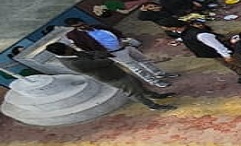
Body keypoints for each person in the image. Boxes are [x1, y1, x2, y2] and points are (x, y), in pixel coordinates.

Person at [39, 43, 175, 110]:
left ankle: (154, 95)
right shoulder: (73, 63)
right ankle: (152, 106)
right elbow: (101, 62)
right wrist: (104, 59)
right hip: (111, 76)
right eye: (68, 48)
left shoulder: (74, 54)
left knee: (136, 83)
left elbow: (92, 54)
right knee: (133, 91)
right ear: (63, 52)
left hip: (114, 71)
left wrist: (98, 56)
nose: (72, 48)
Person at [62, 19, 170, 86]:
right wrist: (103, 54)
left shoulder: (97, 26)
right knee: (136, 67)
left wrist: (123, 39)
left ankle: (160, 73)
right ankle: (154, 81)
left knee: (144, 60)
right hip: (114, 53)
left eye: (82, 24)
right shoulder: (74, 36)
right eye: (78, 27)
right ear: (73, 28)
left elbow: (114, 31)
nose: (83, 27)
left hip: (125, 46)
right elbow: (86, 48)